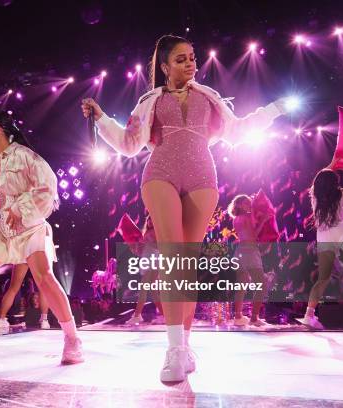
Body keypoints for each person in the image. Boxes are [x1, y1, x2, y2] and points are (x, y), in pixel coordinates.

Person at [81, 34, 289, 381]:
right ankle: (173, 349)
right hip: (159, 173)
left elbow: (238, 131)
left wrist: (273, 110)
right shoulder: (150, 100)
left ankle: (186, 346)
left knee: (187, 265)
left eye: (192, 57)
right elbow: (130, 144)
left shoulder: (209, 97)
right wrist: (102, 118)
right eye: (181, 59)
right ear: (164, 67)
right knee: (174, 255)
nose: (190, 63)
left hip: (202, 178)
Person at [0, 110, 83, 364]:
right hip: (5, 230)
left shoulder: (25, 156)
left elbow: (48, 187)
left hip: (30, 227)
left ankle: (72, 339)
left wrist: (19, 206)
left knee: (44, 278)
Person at [297, 168, 343, 329]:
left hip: (324, 236)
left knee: (323, 279)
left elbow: (319, 176)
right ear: (335, 182)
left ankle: (308, 315)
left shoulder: (315, 196)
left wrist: (333, 162)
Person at [227, 195, 270, 327]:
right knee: (261, 284)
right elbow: (252, 236)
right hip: (250, 252)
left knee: (241, 285)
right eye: (247, 203)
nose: (250, 206)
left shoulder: (236, 219)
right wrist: (262, 220)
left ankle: (238, 316)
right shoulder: (246, 217)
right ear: (239, 205)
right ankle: (254, 318)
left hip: (240, 252)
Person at [126, 215, 166, 325]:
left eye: (152, 220)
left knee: (143, 289)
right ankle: (165, 316)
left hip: (154, 262)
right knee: (153, 293)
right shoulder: (146, 233)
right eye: (148, 220)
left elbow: (160, 246)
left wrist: (147, 242)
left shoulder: (155, 232)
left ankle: (137, 315)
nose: (150, 222)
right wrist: (136, 246)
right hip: (147, 261)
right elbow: (142, 251)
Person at [0, 264, 50, 332]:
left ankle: (1, 319)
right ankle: (44, 320)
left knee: (13, 288)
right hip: (37, 254)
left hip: (23, 255)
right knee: (42, 288)